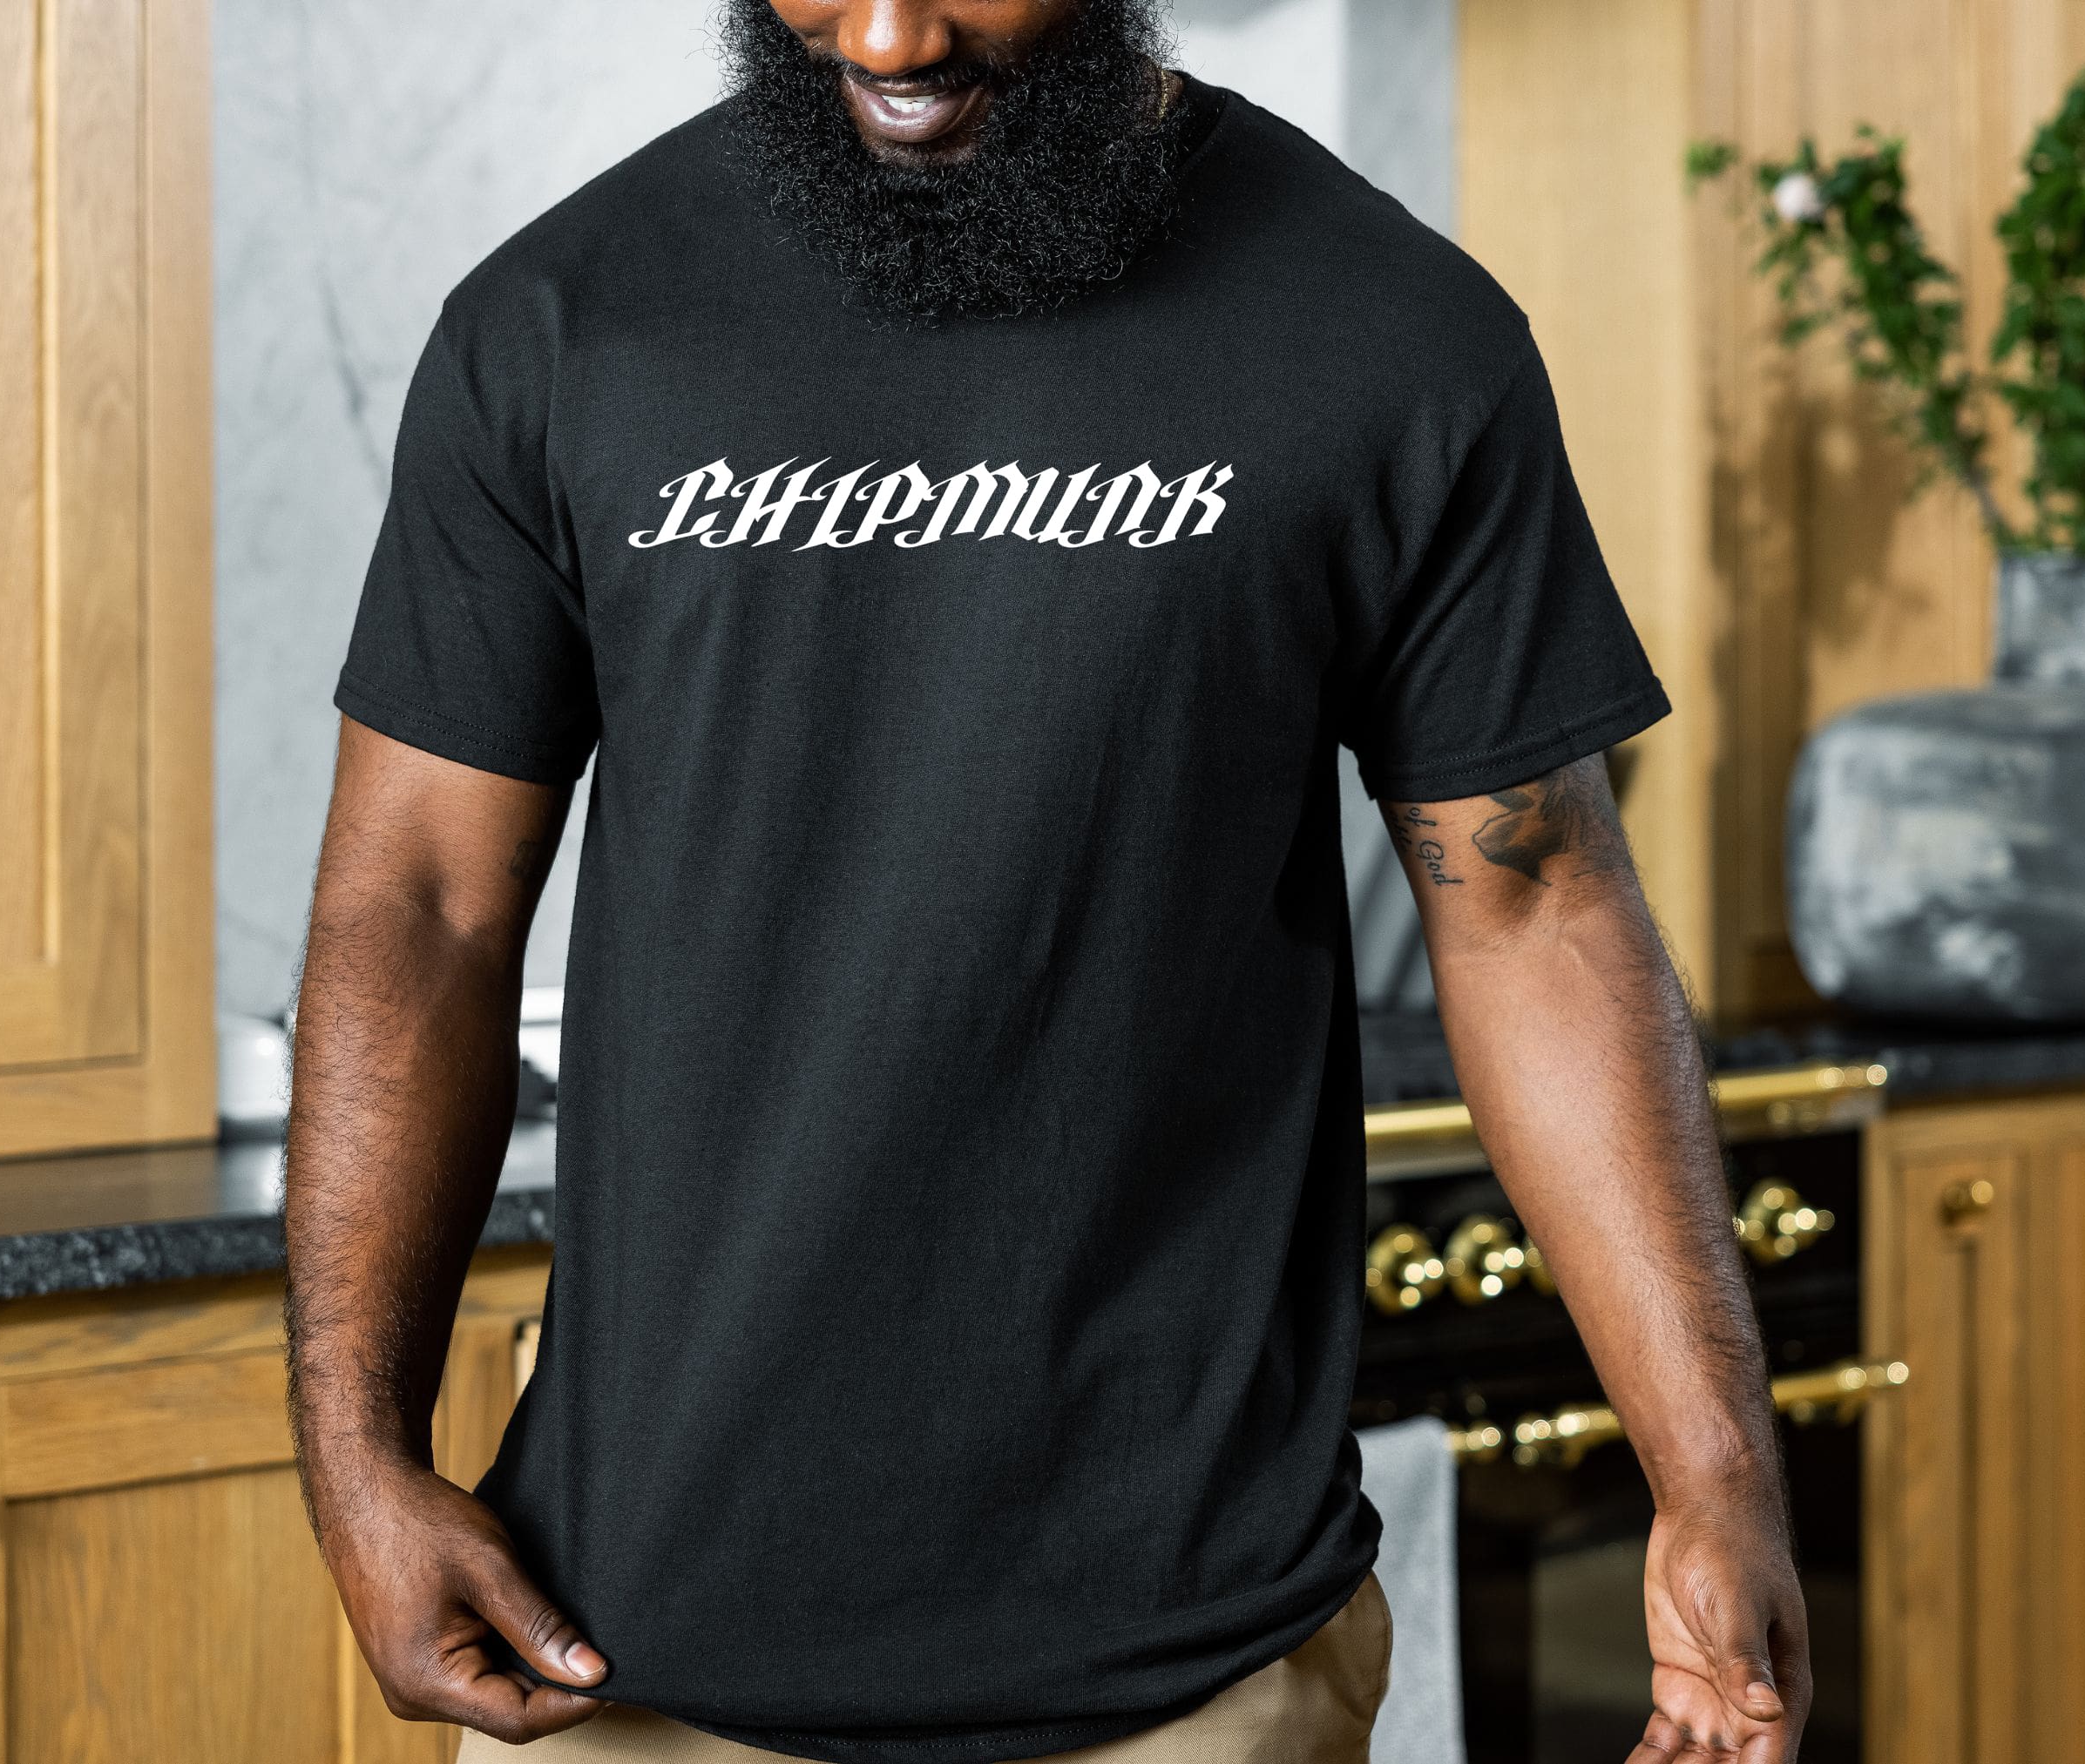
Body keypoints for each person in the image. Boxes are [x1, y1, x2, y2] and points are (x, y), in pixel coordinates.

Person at [282, 1, 1811, 1760]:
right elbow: (419, 909)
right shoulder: (557, 328)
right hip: (620, 1663)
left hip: (1193, 1673)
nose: (883, 31)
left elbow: (1531, 903)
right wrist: (355, 1453)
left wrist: (1711, 1468)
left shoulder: (1394, 337)